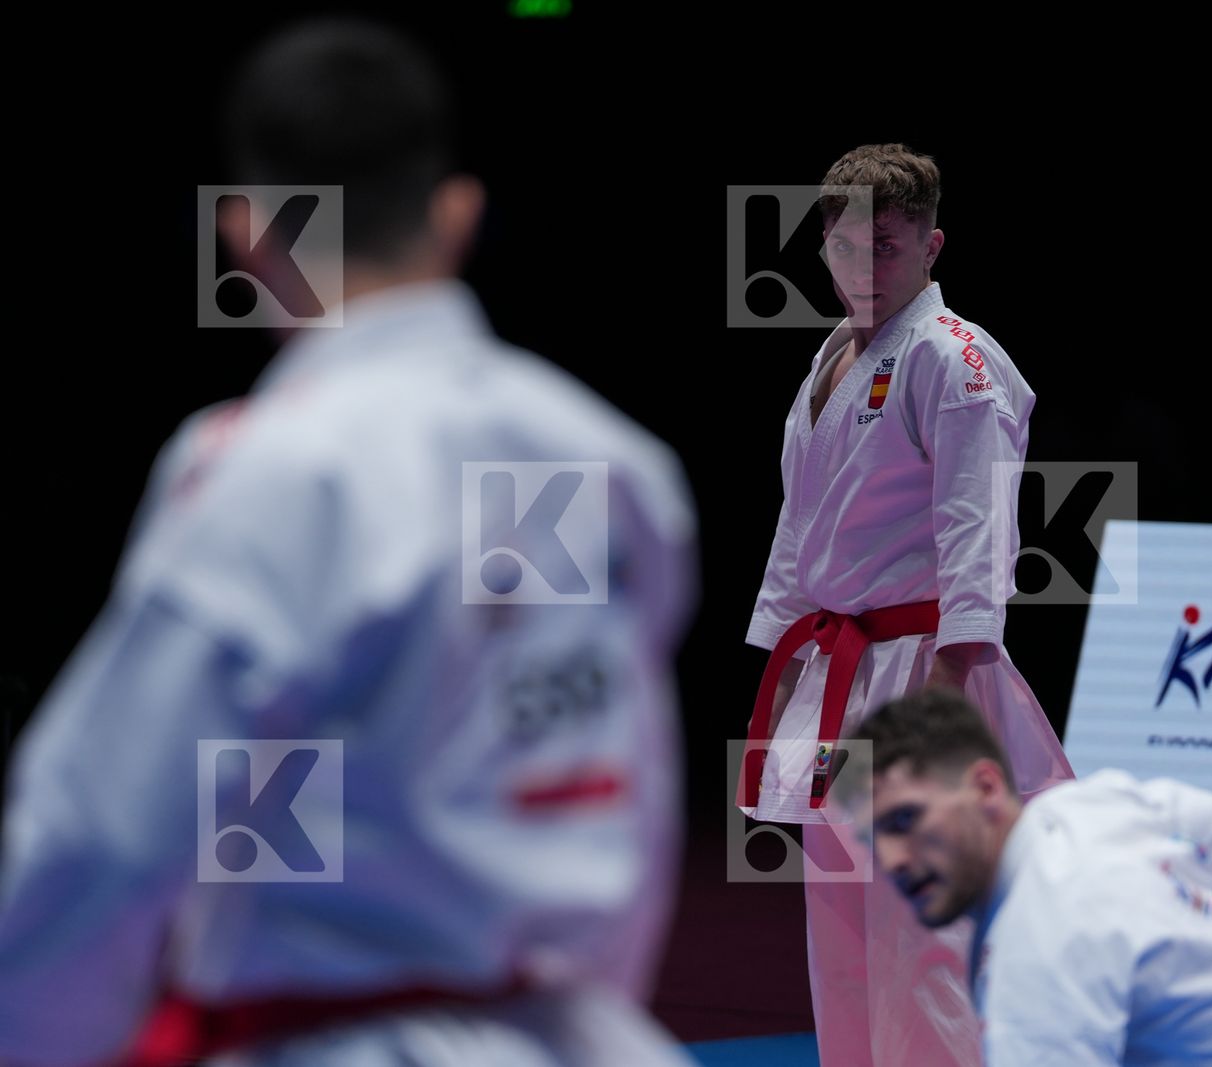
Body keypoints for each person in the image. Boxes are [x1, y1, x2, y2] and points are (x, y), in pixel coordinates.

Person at [0, 19, 697, 1067]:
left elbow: (104, 831)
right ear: (456, 213)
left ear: (246, 237)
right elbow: (609, 781)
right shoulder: (609, 458)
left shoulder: (277, 470)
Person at [737, 142, 1073, 1065]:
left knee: (922, 936)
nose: (863, 268)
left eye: (885, 246)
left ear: (931, 245)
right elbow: (803, 517)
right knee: (844, 925)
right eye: (845, 248)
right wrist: (784, 640)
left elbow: (979, 527)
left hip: (924, 668)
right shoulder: (834, 353)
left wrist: (956, 673)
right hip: (843, 674)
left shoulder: (955, 358)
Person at [849, 689, 1212, 1066]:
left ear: (985, 787)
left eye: (908, 819)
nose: (894, 860)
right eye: (876, 839)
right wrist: (1204, 929)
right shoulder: (1089, 806)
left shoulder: (1042, 947)